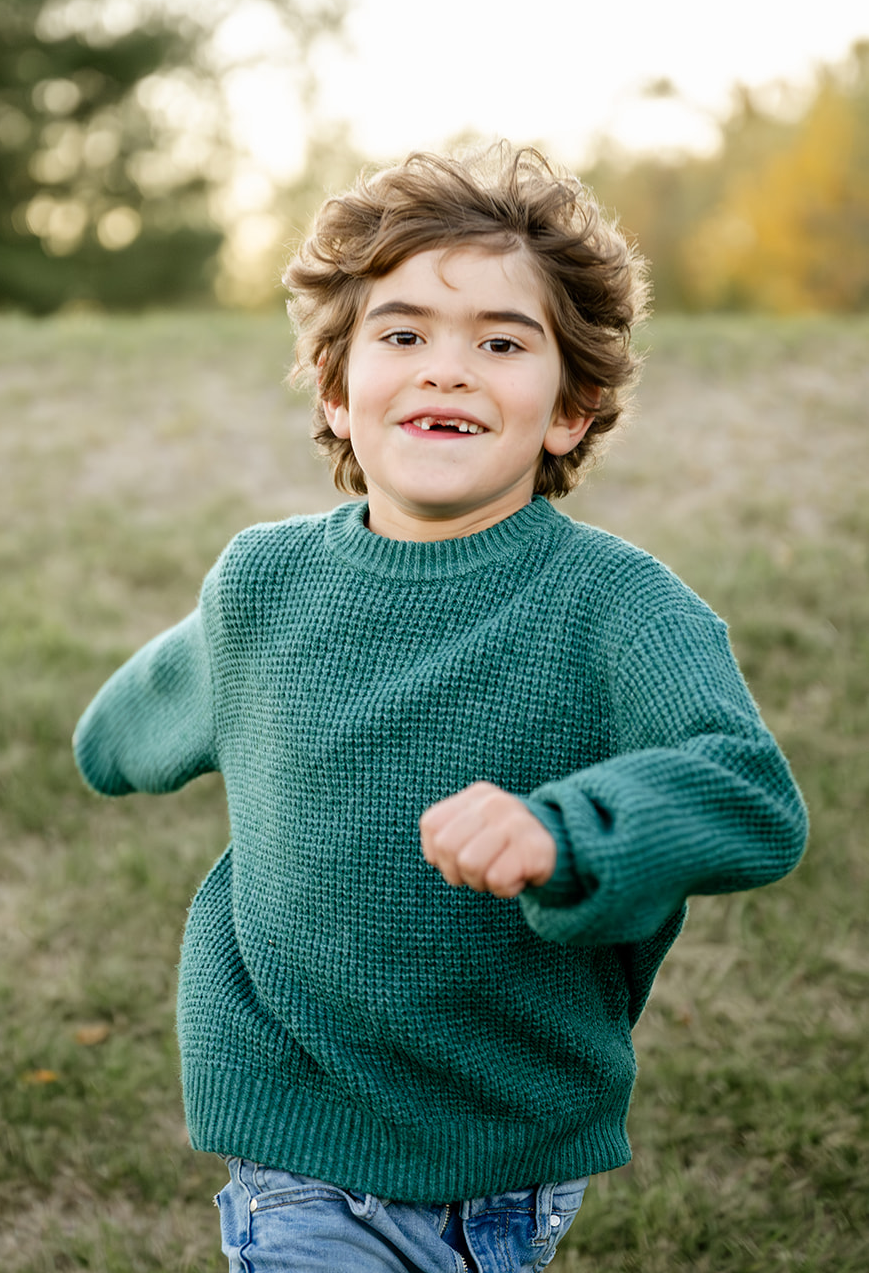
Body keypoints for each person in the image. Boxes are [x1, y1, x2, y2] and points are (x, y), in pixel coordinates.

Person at [73, 144, 808, 1272]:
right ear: (335, 386)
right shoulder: (262, 585)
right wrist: (109, 744)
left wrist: (565, 830)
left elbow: (750, 796)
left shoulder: (616, 607)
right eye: (402, 333)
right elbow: (147, 715)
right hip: (298, 1132)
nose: (446, 368)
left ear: (571, 408)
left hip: (509, 1138)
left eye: (501, 343)